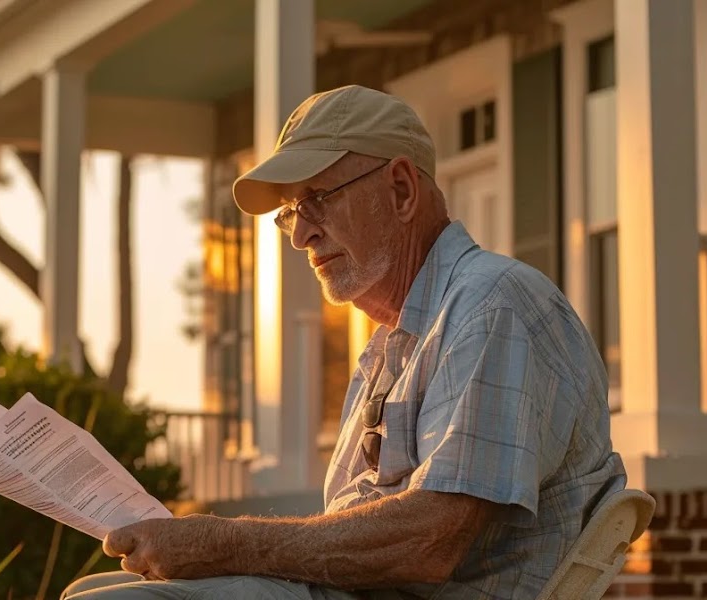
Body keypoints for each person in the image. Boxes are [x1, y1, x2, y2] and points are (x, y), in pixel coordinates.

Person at [61, 84, 628, 599]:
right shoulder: (395, 341)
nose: (301, 234)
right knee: (93, 588)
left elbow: (429, 542)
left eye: (317, 200)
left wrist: (223, 542)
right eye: (289, 215)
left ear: (402, 189)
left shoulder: (492, 303)